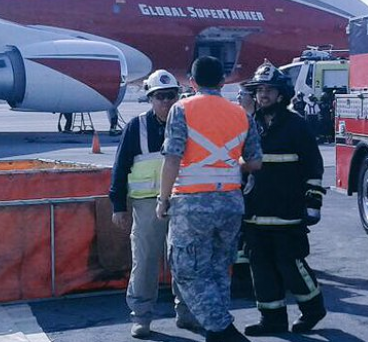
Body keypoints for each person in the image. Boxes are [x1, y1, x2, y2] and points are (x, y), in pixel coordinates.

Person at [156, 56, 262, 342]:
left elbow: (173, 158)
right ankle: (218, 332)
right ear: (222, 81)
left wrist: (162, 199)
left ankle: (223, 330)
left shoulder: (182, 109)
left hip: (192, 203)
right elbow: (254, 162)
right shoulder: (242, 114)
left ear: (191, 82)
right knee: (218, 269)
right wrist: (228, 165)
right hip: (230, 202)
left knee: (187, 269)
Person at [108, 69, 197, 338]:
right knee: (145, 261)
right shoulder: (137, 127)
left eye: (171, 96)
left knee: (183, 259)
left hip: (181, 201)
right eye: (160, 97)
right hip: (146, 204)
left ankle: (186, 313)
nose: (166, 102)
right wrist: (118, 206)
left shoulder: (187, 125)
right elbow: (120, 168)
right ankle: (142, 316)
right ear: (150, 99)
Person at [240, 61, 327, 336]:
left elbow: (313, 165)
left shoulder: (296, 126)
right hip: (254, 211)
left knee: (290, 264)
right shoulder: (248, 125)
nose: (263, 95)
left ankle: (313, 309)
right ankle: (272, 320)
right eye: (260, 90)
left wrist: (313, 202)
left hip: (288, 209)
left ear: (281, 94)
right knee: (261, 267)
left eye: (269, 90)